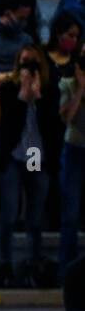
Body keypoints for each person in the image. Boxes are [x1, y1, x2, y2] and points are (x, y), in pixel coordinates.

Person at [0, 44, 63, 286]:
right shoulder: (8, 89)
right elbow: (9, 125)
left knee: (34, 218)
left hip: (36, 157)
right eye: (24, 63)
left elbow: (53, 126)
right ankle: (5, 265)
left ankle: (34, 266)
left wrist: (38, 98)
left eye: (33, 64)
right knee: (9, 215)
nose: (28, 69)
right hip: (14, 155)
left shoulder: (50, 90)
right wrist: (23, 95)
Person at [60, 50, 85, 276]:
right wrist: (81, 87)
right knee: (70, 214)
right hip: (74, 150)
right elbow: (67, 118)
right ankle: (66, 272)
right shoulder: (68, 84)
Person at [48, 10, 81, 85]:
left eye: (77, 37)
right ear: (58, 34)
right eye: (71, 35)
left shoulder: (77, 61)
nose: (74, 40)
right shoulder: (44, 58)